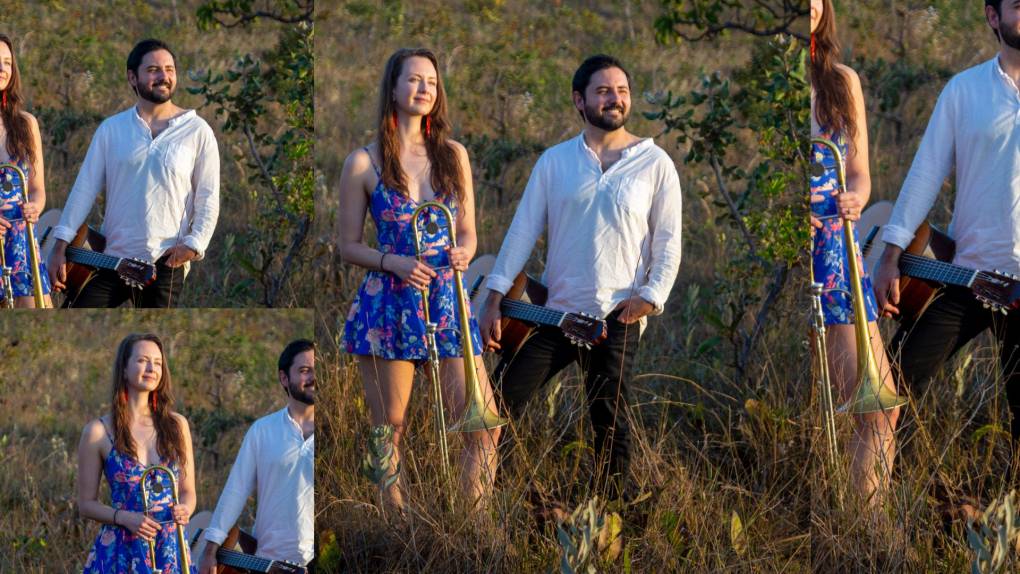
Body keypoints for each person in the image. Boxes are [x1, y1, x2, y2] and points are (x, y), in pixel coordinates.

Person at [478, 54, 683, 500]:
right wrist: (494, 294)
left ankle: (609, 516)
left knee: (609, 421)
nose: (615, 99)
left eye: (622, 90)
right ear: (579, 100)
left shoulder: (655, 163)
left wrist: (649, 297)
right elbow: (522, 230)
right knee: (496, 403)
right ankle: (505, 503)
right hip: (553, 313)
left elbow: (668, 242)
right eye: (604, 91)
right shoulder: (555, 162)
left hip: (617, 316)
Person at [339, 48, 502, 510]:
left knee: (483, 426)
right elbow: (348, 245)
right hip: (389, 302)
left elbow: (468, 230)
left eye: (431, 81)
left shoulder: (453, 155)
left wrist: (465, 252)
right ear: (393, 88)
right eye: (413, 80)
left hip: (448, 301)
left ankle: (474, 533)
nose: (424, 88)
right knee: (389, 428)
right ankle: (398, 532)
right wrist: (394, 262)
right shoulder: (363, 163)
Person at [874, 1, 1020, 470]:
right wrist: (891, 253)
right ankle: (907, 507)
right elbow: (926, 172)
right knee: (893, 385)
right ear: (993, 17)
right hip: (967, 277)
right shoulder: (965, 91)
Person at [810, 0, 901, 506]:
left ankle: (867, 531)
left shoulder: (842, 80)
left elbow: (861, 170)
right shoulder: (771, 84)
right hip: (800, 255)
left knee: (879, 407)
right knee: (847, 412)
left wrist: (858, 196)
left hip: (839, 252)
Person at [48, 38, 219, 308]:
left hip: (166, 261)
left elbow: (208, 197)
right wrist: (59, 246)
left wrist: (194, 244)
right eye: (153, 70)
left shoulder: (197, 131)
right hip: (111, 257)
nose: (164, 76)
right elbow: (84, 188)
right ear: (132, 77)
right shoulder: (111, 129)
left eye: (169, 69)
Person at [77, 333, 197, 573]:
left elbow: (188, 492)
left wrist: (185, 509)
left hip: (170, 548)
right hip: (122, 548)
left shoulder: (177, 425)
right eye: (143, 360)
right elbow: (85, 505)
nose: (152, 368)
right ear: (123, 369)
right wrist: (124, 518)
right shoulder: (97, 431)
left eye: (158, 362)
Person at [199, 340, 315, 571]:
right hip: (268, 562)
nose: (314, 377)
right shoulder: (263, 430)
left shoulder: (341, 430)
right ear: (284, 378)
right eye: (304, 371)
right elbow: (236, 490)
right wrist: (210, 549)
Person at [0, 33, 52, 308]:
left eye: (7, 63)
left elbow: (37, 189)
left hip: (21, 239)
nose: (2, 70)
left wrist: (36, 207)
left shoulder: (26, 123)